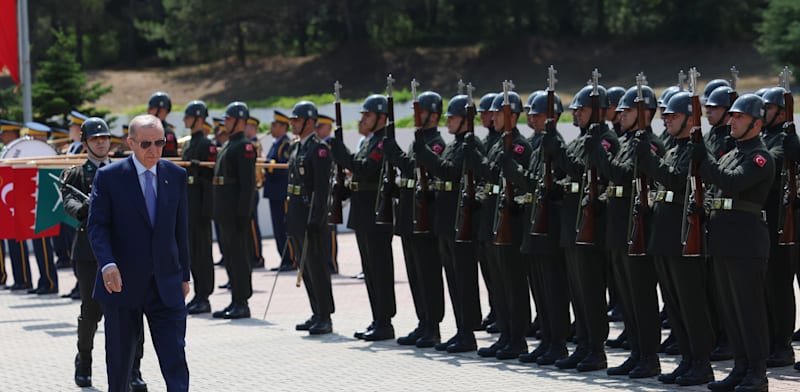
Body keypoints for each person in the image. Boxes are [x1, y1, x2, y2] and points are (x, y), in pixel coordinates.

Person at [87, 114, 190, 392]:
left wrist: (185, 275)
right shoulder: (109, 177)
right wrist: (107, 264)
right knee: (120, 363)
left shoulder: (176, 175)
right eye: (146, 144)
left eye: (160, 142)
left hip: (166, 285)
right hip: (122, 284)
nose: (154, 150)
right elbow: (97, 226)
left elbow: (181, 231)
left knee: (175, 358)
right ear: (130, 143)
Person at [690, 94, 773, 392]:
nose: (732, 121)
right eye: (732, 116)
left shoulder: (760, 157)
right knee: (730, 309)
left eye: (739, 117)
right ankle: (740, 368)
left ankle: (757, 372)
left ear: (756, 122)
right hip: (724, 240)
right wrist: (703, 207)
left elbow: (733, 182)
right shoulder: (731, 153)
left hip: (746, 242)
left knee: (749, 310)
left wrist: (705, 158)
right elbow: (716, 187)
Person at [634, 91, 715, 386]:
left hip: (684, 238)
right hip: (665, 235)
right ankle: (687, 359)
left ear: (691, 120)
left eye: (674, 116)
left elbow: (673, 179)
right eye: (665, 116)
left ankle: (701, 363)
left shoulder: (695, 151)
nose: (667, 120)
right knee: (674, 303)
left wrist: (648, 159)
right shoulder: (673, 149)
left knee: (691, 303)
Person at [63, 117, 148, 390]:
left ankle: (134, 369)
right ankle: (84, 361)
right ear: (85, 142)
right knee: (91, 311)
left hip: (125, 252)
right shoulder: (76, 174)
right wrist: (89, 208)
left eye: (104, 137)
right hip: (90, 253)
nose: (101, 142)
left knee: (133, 310)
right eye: (94, 138)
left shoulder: (125, 170)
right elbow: (69, 202)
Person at [589, 84, 665, 379]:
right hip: (619, 228)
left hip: (638, 231)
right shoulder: (628, 142)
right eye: (619, 110)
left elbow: (619, 175)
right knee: (628, 296)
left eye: (628, 110)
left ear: (645, 113)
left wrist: (598, 151)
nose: (620, 115)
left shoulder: (651, 144)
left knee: (642, 297)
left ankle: (649, 356)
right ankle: (636, 352)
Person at [541, 83, 619, 372]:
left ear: (597, 112)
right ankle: (583, 344)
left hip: (591, 226)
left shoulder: (606, 139)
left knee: (591, 291)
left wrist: (558, 151)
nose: (575, 113)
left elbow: (584, 170)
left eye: (582, 109)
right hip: (571, 223)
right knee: (578, 291)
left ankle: (596, 349)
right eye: (574, 109)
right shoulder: (581, 138)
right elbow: (569, 175)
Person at [504, 91, 572, 365]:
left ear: (552, 117)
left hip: (550, 226)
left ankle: (558, 342)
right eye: (530, 113)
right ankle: (546, 339)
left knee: (554, 289)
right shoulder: (536, 143)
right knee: (541, 289)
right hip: (535, 223)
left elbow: (551, 185)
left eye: (538, 113)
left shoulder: (555, 144)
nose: (531, 117)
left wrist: (518, 175)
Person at [466, 90, 533, 360]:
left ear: (513, 116)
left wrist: (481, 162)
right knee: (499, 284)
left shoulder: (519, 146)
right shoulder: (495, 144)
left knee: (513, 283)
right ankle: (505, 334)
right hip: (493, 219)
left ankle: (517, 338)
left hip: (511, 221)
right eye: (491, 113)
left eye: (498, 113)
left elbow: (515, 181)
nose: (492, 117)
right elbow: (491, 176)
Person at [415, 93, 484, 353]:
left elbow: (449, 172)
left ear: (466, 120)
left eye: (452, 117)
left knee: (464, 279)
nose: (448, 122)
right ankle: (460, 329)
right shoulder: (456, 143)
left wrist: (424, 154)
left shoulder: (470, 143)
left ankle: (467, 332)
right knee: (453, 278)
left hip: (461, 219)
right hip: (446, 219)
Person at [382, 91, 447, 349]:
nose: (414, 116)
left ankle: (433, 325)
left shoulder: (437, 143)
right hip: (410, 215)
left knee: (428, 274)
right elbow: (411, 176)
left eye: (419, 112)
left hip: (425, 218)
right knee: (415, 274)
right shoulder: (419, 141)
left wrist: (395, 155)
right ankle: (423, 322)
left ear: (433, 115)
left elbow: (418, 169)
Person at [329, 93, 397, 341]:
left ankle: (385, 321)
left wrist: (341, 153)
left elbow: (366, 168)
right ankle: (377, 317)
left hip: (376, 212)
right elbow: (358, 171)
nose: (363, 119)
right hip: (362, 211)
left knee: (379, 268)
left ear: (381, 117)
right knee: (369, 269)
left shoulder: (382, 143)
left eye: (368, 115)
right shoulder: (369, 142)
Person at [286, 101, 334, 335]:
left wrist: (317, 218)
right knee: (305, 267)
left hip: (310, 213)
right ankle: (316, 311)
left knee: (317, 265)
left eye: (296, 120)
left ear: (309, 122)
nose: (292, 123)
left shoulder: (319, 149)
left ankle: (325, 315)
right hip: (297, 212)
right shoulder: (297, 148)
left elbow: (322, 190)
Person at [759, 86, 798, 368]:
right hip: (764, 221)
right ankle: (773, 339)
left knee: (780, 284)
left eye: (767, 108)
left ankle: (782, 344)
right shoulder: (764, 137)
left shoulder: (783, 140)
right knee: (768, 285)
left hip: (783, 221)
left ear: (782, 113)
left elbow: (768, 164)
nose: (761, 113)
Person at [212, 102, 257, 319]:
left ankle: (242, 301)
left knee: (239, 257)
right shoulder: (229, 144)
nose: (225, 123)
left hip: (235, 211)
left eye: (228, 119)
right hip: (225, 210)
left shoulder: (244, 146)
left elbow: (248, 185)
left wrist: (243, 213)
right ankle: (235, 300)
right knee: (230, 256)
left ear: (239, 121)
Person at [181, 101, 217, 315]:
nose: (185, 120)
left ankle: (205, 295)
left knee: (203, 253)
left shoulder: (206, 144)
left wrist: (207, 211)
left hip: (201, 207)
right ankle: (198, 294)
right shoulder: (188, 144)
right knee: (192, 252)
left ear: (198, 118)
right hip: (189, 205)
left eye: (188, 116)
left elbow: (209, 177)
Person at [0, 120, 33, 291]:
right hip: (8, 202)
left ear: (13, 133)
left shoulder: (21, 150)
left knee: (18, 243)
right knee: (11, 244)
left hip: (18, 202)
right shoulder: (6, 151)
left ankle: (24, 279)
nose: (2, 137)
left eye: (5, 133)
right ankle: (19, 279)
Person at [264, 110, 295, 271]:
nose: (272, 128)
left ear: (284, 127)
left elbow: (283, 167)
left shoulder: (286, 145)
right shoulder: (276, 144)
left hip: (281, 191)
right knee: (277, 227)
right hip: (273, 191)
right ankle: (284, 259)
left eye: (275, 125)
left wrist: (268, 165)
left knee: (284, 227)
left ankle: (290, 258)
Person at [315, 113, 339, 274]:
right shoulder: (316, 145)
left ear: (328, 128)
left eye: (320, 127)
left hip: (330, 189)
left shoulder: (332, 145)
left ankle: (331, 263)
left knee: (329, 229)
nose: (317, 130)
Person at [245, 116, 265, 268]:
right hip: (249, 187)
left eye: (248, 126)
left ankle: (257, 256)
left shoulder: (253, 144)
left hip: (251, 188)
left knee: (252, 225)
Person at [147, 92, 179, 157]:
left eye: (152, 109)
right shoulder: (145, 129)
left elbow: (169, 157)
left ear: (162, 111)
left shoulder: (167, 133)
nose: (148, 111)